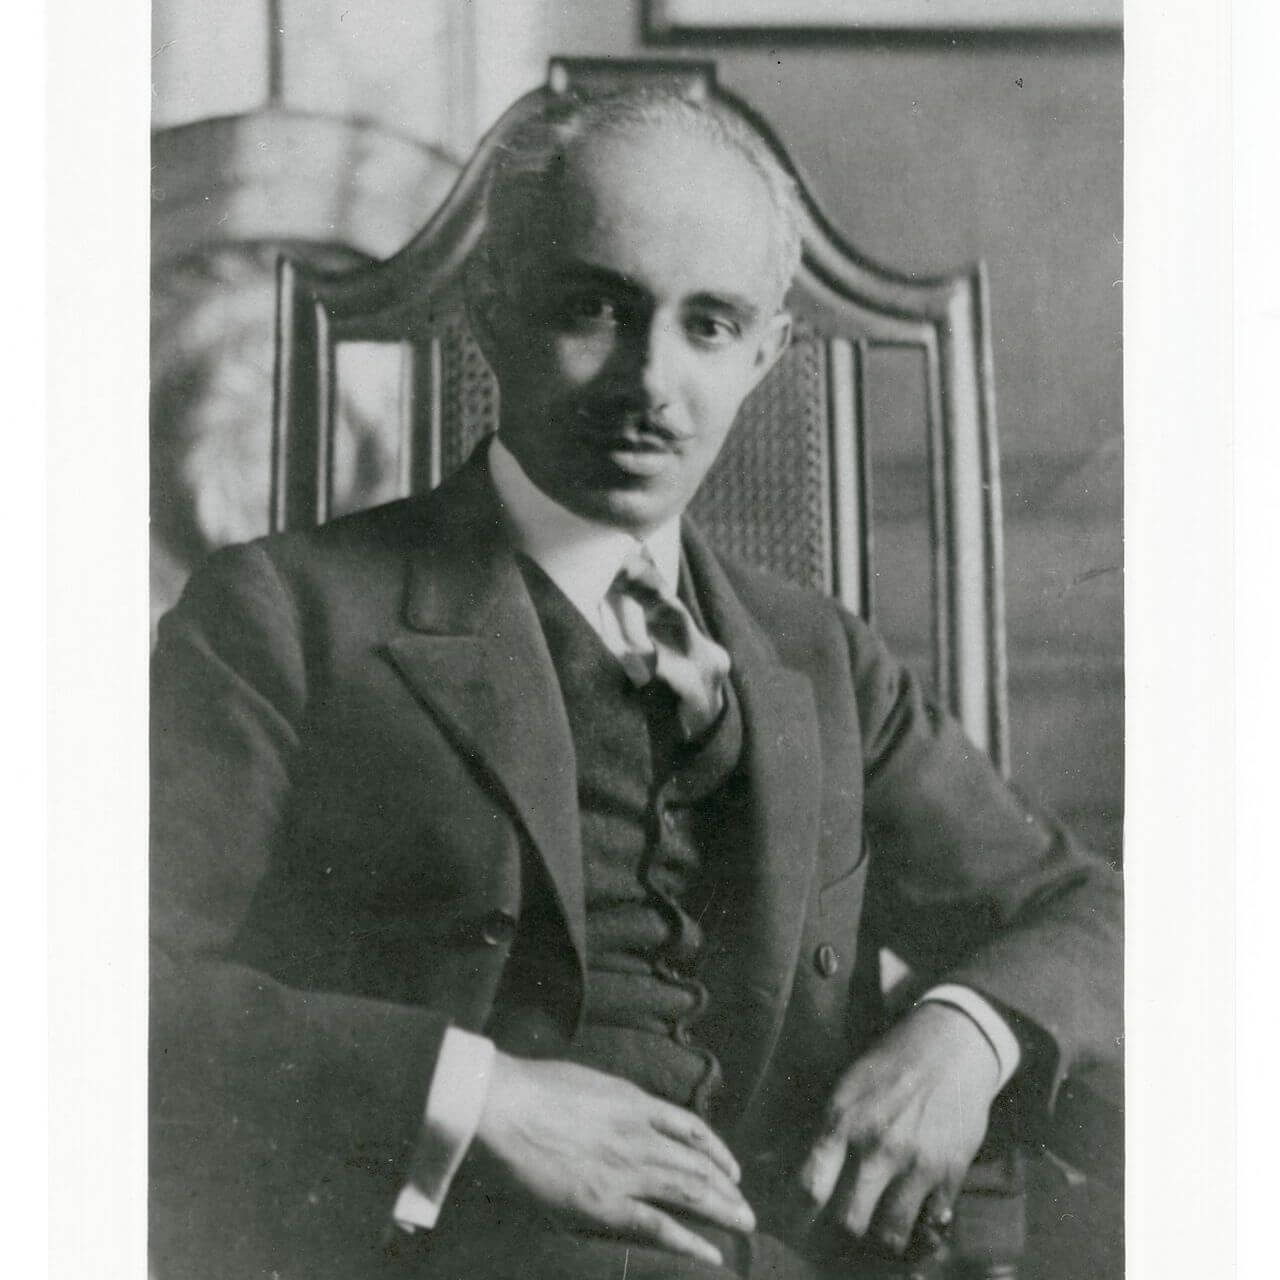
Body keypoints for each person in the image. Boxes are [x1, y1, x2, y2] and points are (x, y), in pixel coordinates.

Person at [150, 87, 1121, 1280]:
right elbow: (92, 994)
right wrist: (472, 1095)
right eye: (593, 309)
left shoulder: (821, 656)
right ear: (489, 310)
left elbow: (1089, 912)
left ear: (766, 353)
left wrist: (964, 1034)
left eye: (707, 325)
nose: (649, 381)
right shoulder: (283, 618)